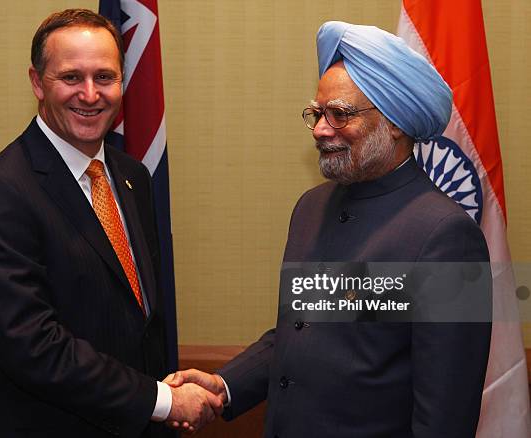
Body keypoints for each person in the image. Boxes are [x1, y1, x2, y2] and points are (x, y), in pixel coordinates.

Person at [166, 21, 492, 437]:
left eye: (339, 114)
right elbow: (303, 330)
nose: (321, 129)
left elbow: (445, 415)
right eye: (318, 114)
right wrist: (226, 384)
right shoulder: (311, 207)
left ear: (394, 122)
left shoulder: (448, 237)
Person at [0, 9, 221, 438]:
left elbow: (141, 320)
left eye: (105, 77)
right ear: (38, 83)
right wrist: (164, 401)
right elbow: (34, 347)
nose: (91, 94)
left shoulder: (133, 176)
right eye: (71, 78)